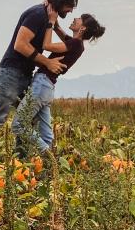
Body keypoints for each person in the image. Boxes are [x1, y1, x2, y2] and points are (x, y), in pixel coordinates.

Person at [0, 0, 79, 157]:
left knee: (26, 120)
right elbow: (20, 45)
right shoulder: (37, 14)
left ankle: (19, 163)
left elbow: (70, 42)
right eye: (69, 6)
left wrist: (53, 25)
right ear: (61, 2)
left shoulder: (46, 18)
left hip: (25, 74)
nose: (70, 11)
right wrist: (47, 63)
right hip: (11, 73)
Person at [13, 10, 105, 159]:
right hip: (47, 88)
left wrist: (49, 23)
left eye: (79, 19)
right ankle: (49, 171)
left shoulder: (75, 43)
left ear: (82, 29)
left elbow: (47, 45)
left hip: (41, 86)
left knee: (19, 125)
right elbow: (62, 33)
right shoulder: (76, 44)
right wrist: (54, 21)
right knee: (46, 135)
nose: (75, 18)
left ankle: (47, 154)